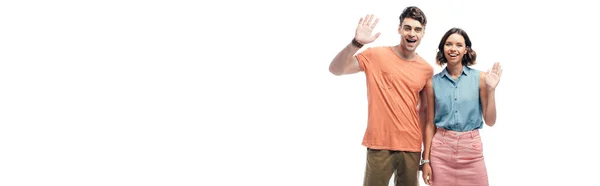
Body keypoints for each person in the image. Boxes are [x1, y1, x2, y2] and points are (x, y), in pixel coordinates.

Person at [328, 6, 435, 186]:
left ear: (423, 33)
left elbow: (425, 116)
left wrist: (426, 158)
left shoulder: (426, 70)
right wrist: (356, 43)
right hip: (379, 144)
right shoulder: (376, 55)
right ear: (399, 29)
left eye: (417, 29)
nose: (412, 33)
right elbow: (335, 69)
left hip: (411, 146)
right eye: (407, 28)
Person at [420, 27, 503, 186]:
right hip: (441, 152)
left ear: (466, 50)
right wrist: (426, 161)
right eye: (448, 44)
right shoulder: (433, 83)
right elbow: (430, 124)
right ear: (442, 48)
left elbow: (490, 121)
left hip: (471, 152)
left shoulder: (480, 78)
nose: (453, 49)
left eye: (459, 45)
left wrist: (491, 90)